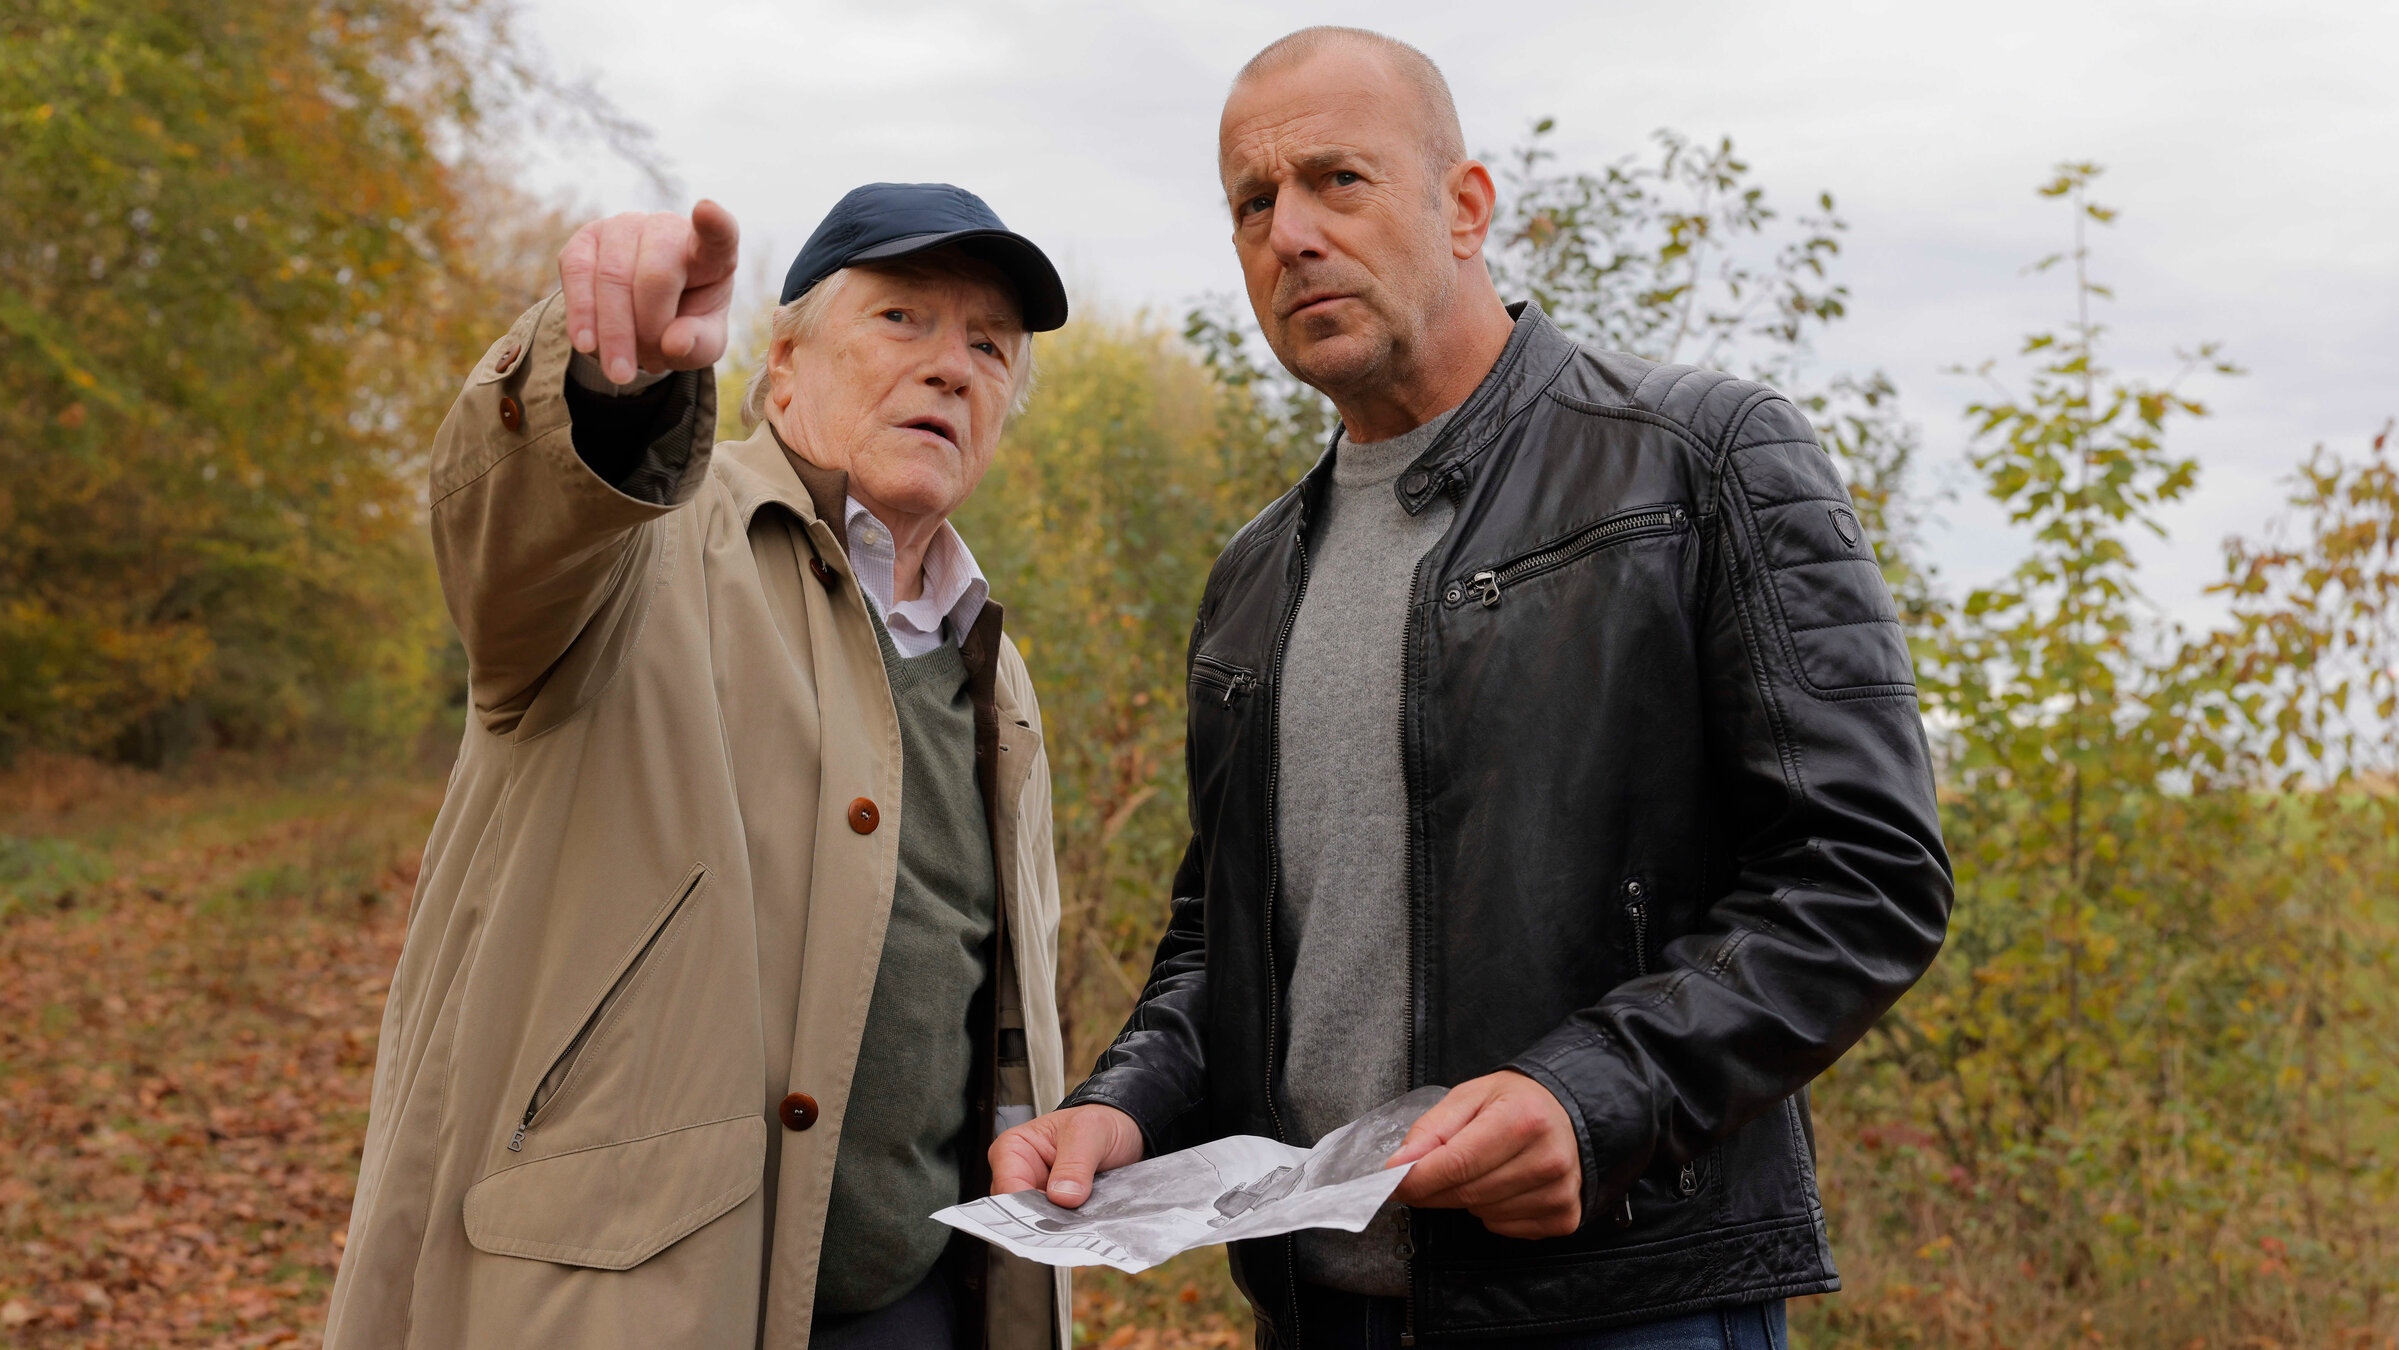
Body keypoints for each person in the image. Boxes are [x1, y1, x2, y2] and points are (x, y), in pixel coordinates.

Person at [991, 27, 1952, 1350]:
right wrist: (1125, 1102)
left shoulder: (1702, 460)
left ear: (1464, 206)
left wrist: (1594, 1097)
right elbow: (1221, 939)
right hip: (1319, 1314)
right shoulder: (1252, 576)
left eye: (1337, 179)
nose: (1289, 235)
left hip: (1625, 1306)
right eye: (1251, 204)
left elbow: (1864, 871)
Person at [325, 183, 1074, 1350]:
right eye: (902, 319)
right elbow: (524, 524)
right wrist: (605, 379)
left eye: (989, 347)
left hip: (918, 1303)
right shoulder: (642, 537)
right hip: (628, 1308)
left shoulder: (998, 671)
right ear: (783, 368)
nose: (950, 367)